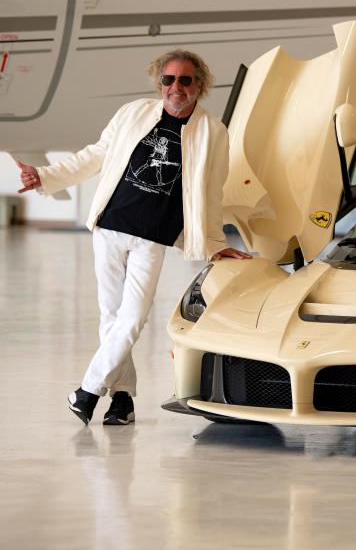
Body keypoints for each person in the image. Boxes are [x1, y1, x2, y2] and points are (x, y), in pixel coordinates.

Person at [16, 49, 250, 426]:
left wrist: (215, 243)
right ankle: (122, 401)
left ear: (200, 86)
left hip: (151, 238)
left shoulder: (213, 131)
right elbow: (95, 156)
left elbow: (211, 191)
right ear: (160, 83)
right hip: (110, 227)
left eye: (185, 80)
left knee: (133, 319)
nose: (176, 87)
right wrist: (46, 176)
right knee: (112, 319)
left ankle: (88, 391)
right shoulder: (132, 113)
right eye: (168, 80)